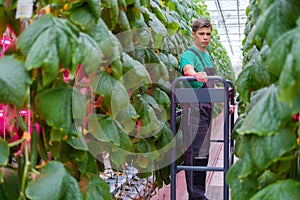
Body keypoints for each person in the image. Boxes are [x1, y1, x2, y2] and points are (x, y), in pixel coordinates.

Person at [179, 18, 215, 200]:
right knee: (194, 150)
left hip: (207, 107)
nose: (205, 37)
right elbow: (187, 70)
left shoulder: (207, 56)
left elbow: (213, 83)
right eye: (201, 34)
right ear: (193, 34)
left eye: (208, 34)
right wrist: (195, 74)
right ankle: (195, 194)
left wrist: (227, 103)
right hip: (194, 107)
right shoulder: (189, 55)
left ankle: (200, 194)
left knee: (203, 150)